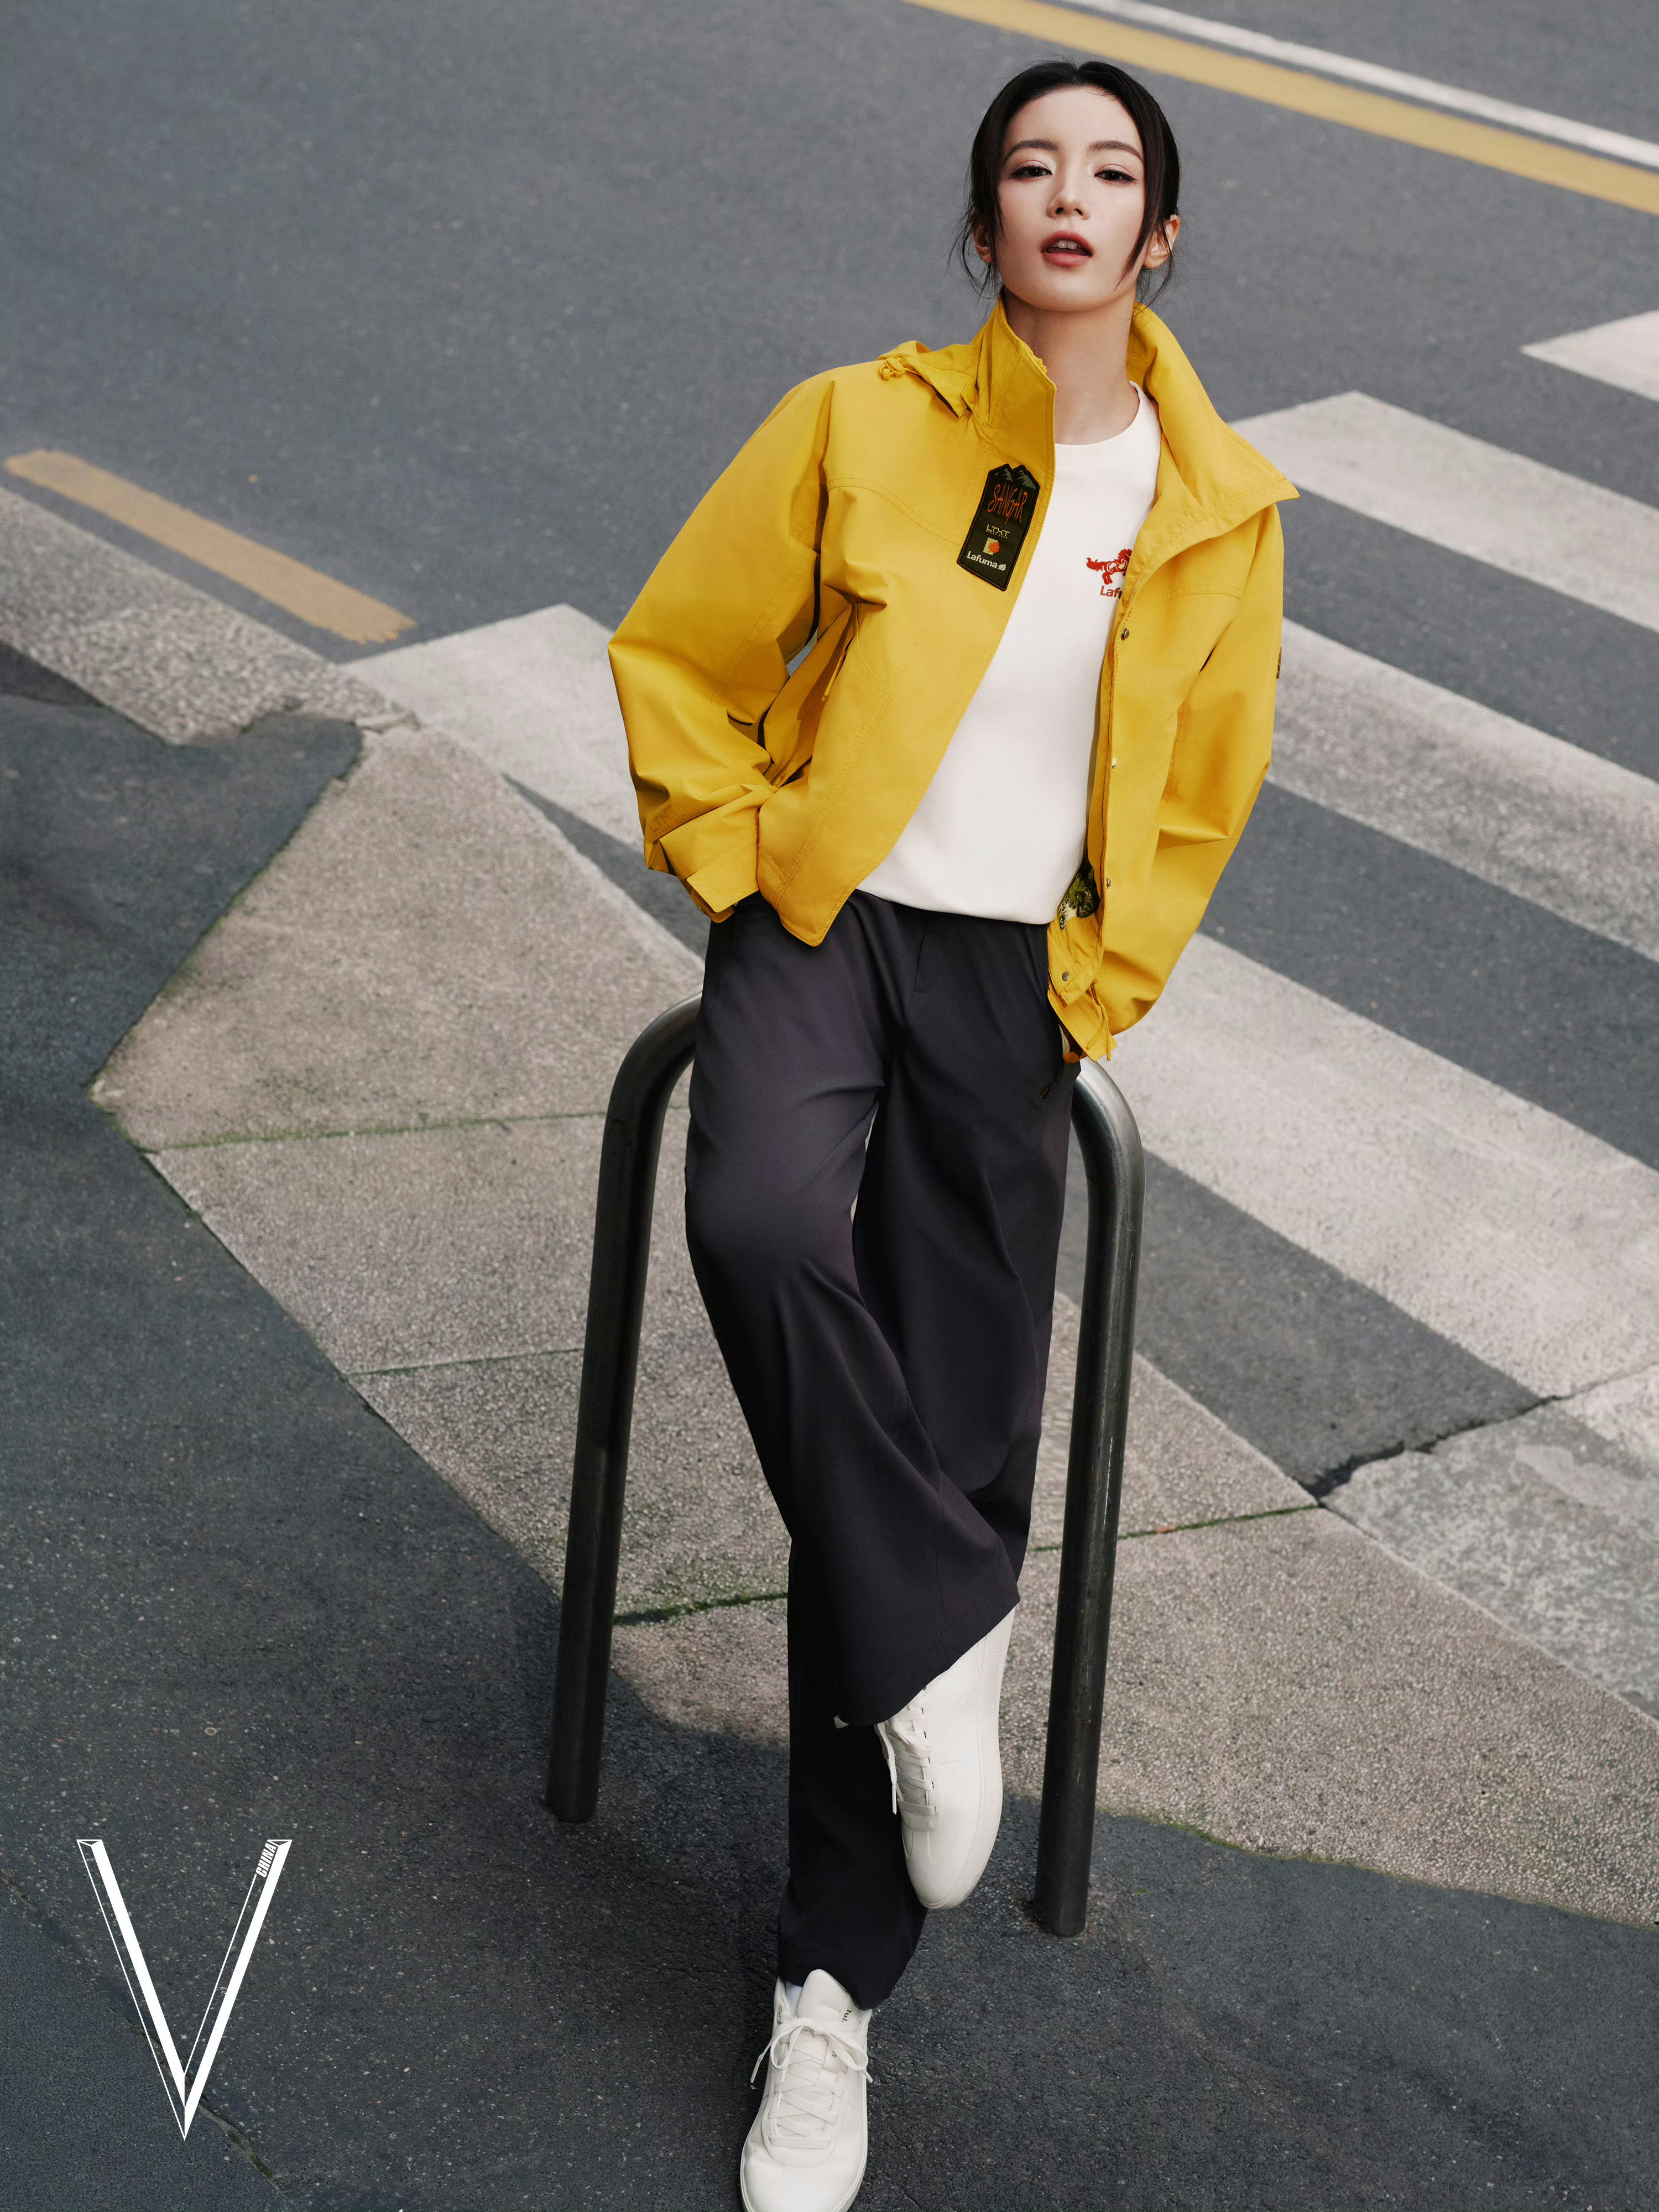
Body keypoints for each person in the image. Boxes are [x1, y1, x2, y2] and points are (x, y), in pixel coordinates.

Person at [609, 55, 1293, 2212]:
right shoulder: (859, 422)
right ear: (986, 220)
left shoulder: (1216, 505)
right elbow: (682, 650)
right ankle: (941, 1639)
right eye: (1029, 167)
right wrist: (742, 861)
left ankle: (829, 1999)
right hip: (827, 926)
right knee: (752, 1217)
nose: (1067, 196)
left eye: (1110, 171)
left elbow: (1206, 785)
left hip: (1014, 984)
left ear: (1158, 234)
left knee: (952, 1424)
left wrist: (1088, 990)